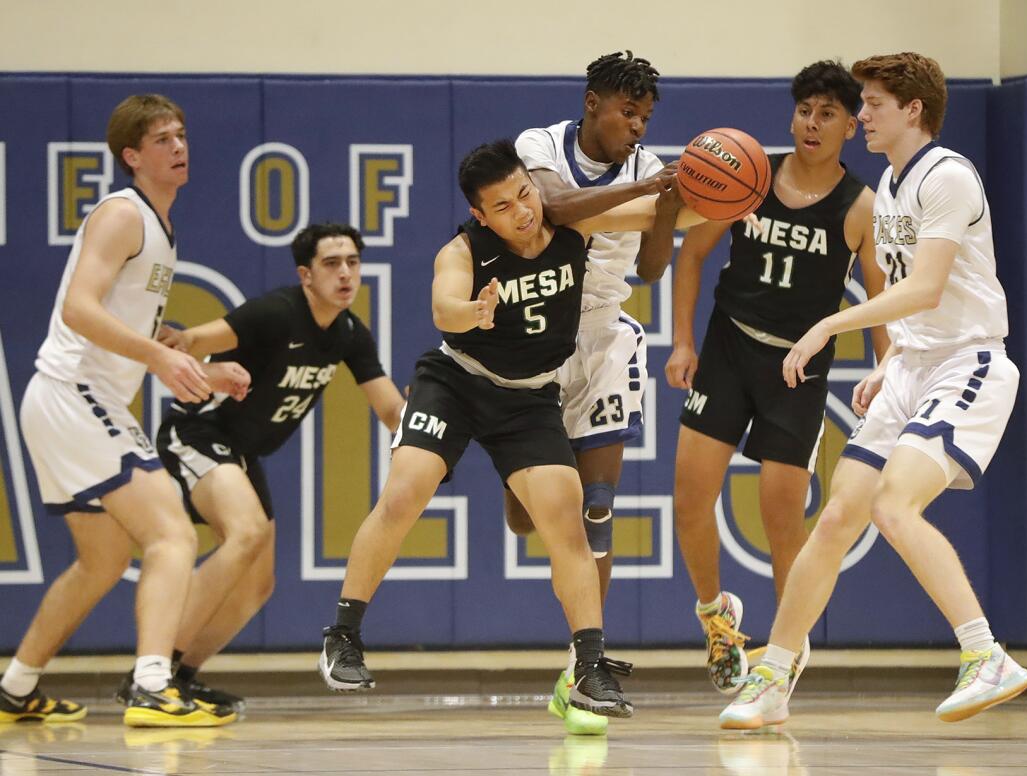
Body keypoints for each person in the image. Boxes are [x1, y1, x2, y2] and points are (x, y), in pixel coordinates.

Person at [318, 139, 696, 721]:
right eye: (503, 206)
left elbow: (659, 215)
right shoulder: (465, 251)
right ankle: (343, 635)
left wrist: (736, 201)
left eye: (525, 193)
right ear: (480, 214)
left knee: (566, 519)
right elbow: (445, 308)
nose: (521, 211)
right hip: (457, 383)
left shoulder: (571, 225)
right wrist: (475, 312)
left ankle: (588, 668)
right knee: (405, 490)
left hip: (529, 398)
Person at [718, 52, 1027, 730]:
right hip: (916, 366)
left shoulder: (947, 177)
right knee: (834, 520)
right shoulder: (890, 184)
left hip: (966, 364)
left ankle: (986, 655)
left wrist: (830, 322)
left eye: (873, 104)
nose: (861, 115)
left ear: (912, 110)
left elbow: (925, 287)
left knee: (895, 506)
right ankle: (774, 674)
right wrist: (889, 366)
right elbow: (906, 297)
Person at [0, 95, 242, 728]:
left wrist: (197, 366)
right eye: (162, 139)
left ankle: (14, 687)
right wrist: (161, 365)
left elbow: (130, 335)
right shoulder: (122, 214)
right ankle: (153, 685)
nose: (179, 147)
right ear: (132, 156)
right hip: (71, 393)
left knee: (102, 562)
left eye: (182, 135)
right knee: (173, 535)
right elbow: (79, 309)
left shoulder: (159, 226)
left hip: (79, 399)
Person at [112, 223, 405, 713]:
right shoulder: (276, 313)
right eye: (332, 263)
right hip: (200, 433)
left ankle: (181, 677)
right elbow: (186, 342)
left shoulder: (351, 334)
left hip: (242, 453)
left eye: (353, 262)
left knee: (257, 582)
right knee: (245, 532)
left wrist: (431, 423)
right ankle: (153, 672)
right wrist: (181, 347)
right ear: (305, 275)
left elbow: (391, 410)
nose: (346, 273)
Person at [664, 60, 887, 696]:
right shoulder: (750, 174)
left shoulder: (860, 206)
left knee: (782, 517)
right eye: (804, 111)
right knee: (689, 500)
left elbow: (879, 305)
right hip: (729, 349)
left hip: (799, 366)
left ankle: (783, 657)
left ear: (850, 125)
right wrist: (683, 341)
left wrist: (885, 375)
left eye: (827, 115)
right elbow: (694, 254)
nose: (811, 124)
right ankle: (716, 616)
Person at [511, 50, 678, 734]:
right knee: (531, 521)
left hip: (607, 338)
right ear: (592, 103)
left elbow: (654, 266)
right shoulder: (538, 145)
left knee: (598, 508)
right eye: (626, 112)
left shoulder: (651, 170)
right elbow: (553, 206)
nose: (636, 128)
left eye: (644, 117)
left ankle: (583, 672)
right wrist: (642, 197)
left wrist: (665, 208)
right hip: (533, 340)